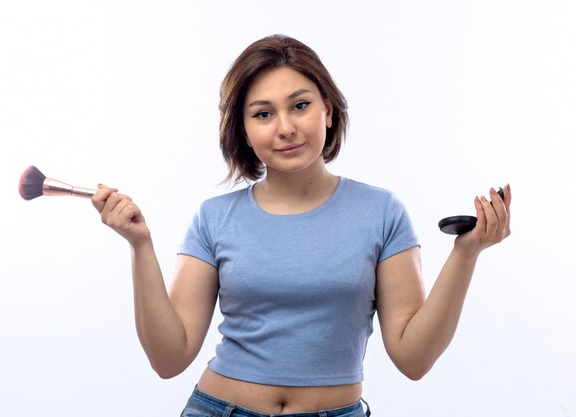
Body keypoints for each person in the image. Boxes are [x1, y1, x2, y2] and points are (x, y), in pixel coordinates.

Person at [91, 34, 511, 417]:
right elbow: (170, 358)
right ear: (244, 129)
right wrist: (140, 246)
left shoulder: (381, 212)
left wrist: (465, 253)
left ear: (328, 109)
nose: (285, 127)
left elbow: (413, 359)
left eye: (300, 105)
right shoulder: (214, 217)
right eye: (262, 113)